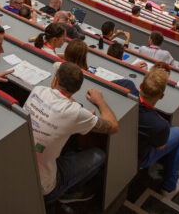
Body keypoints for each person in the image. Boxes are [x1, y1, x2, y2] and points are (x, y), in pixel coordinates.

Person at [24, 62, 118, 203]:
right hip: (44, 188)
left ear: (55, 80)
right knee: (99, 155)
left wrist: (80, 113)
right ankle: (70, 192)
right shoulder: (75, 113)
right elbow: (113, 127)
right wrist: (100, 101)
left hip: (21, 169)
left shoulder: (37, 91)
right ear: (78, 88)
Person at [137, 65, 179, 197]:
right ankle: (169, 186)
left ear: (141, 85)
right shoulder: (160, 125)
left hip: (119, 146)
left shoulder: (126, 85)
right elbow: (160, 147)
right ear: (161, 96)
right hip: (138, 158)